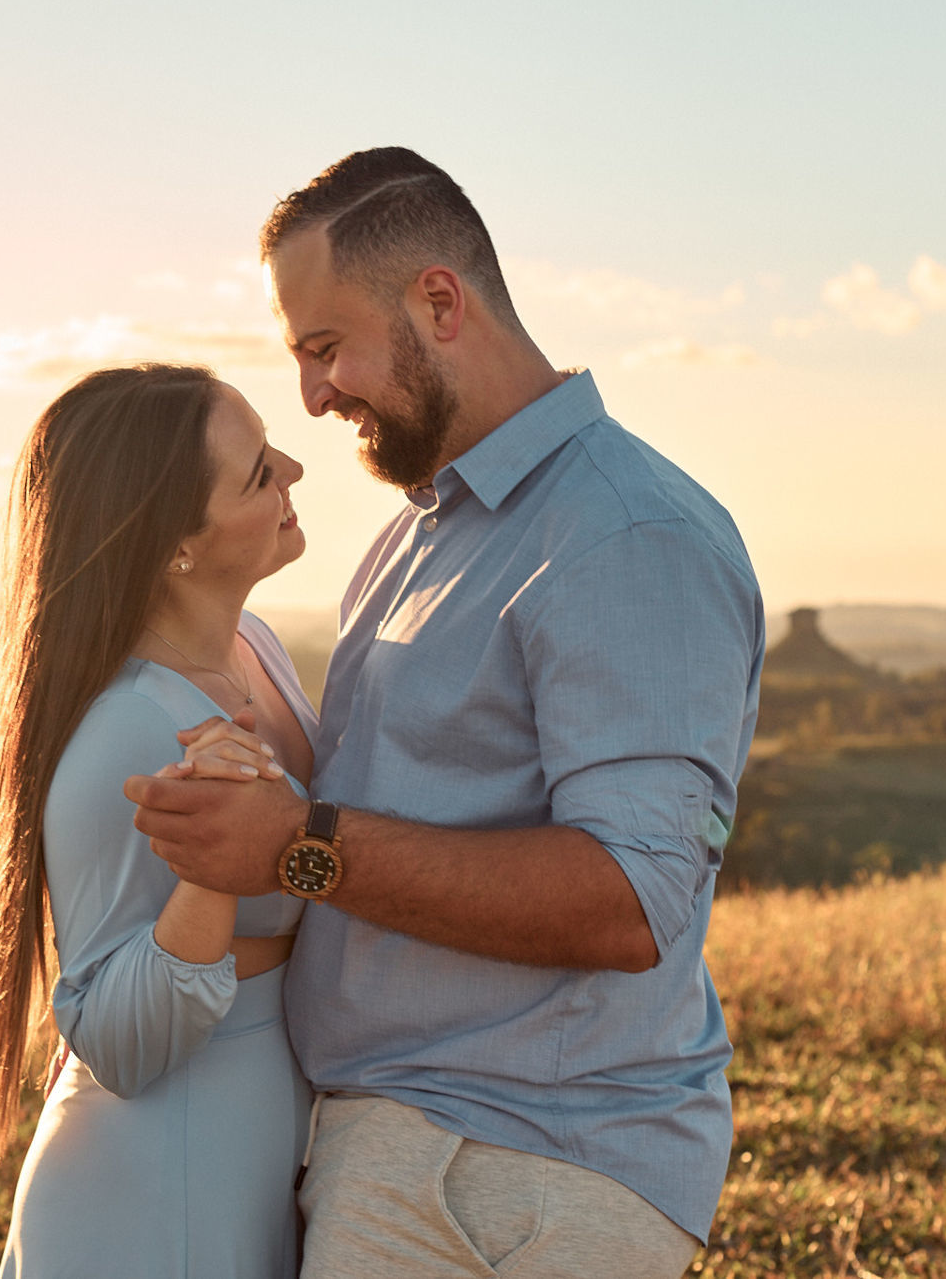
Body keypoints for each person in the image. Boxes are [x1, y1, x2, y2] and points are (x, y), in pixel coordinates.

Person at [125, 148, 764, 1277]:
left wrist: (300, 846)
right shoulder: (419, 535)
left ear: (437, 301)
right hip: (422, 1151)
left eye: (327, 350)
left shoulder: (624, 536)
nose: (312, 396)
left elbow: (630, 900)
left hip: (512, 1172)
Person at [0, 364, 321, 1277]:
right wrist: (211, 871)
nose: (296, 472)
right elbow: (116, 1037)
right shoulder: (127, 735)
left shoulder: (253, 646)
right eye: (260, 471)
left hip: (252, 1144)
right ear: (175, 546)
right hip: (160, 1186)